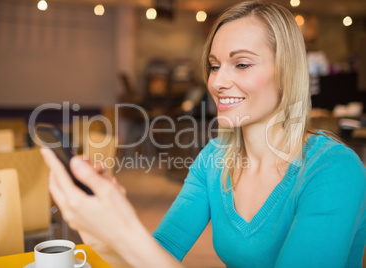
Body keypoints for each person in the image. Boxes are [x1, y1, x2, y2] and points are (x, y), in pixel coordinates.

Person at [41, 1, 366, 267]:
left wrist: (125, 232)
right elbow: (160, 253)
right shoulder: (214, 158)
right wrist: (101, 230)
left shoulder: (334, 170)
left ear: (287, 71)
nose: (217, 82)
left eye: (241, 64)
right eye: (214, 65)